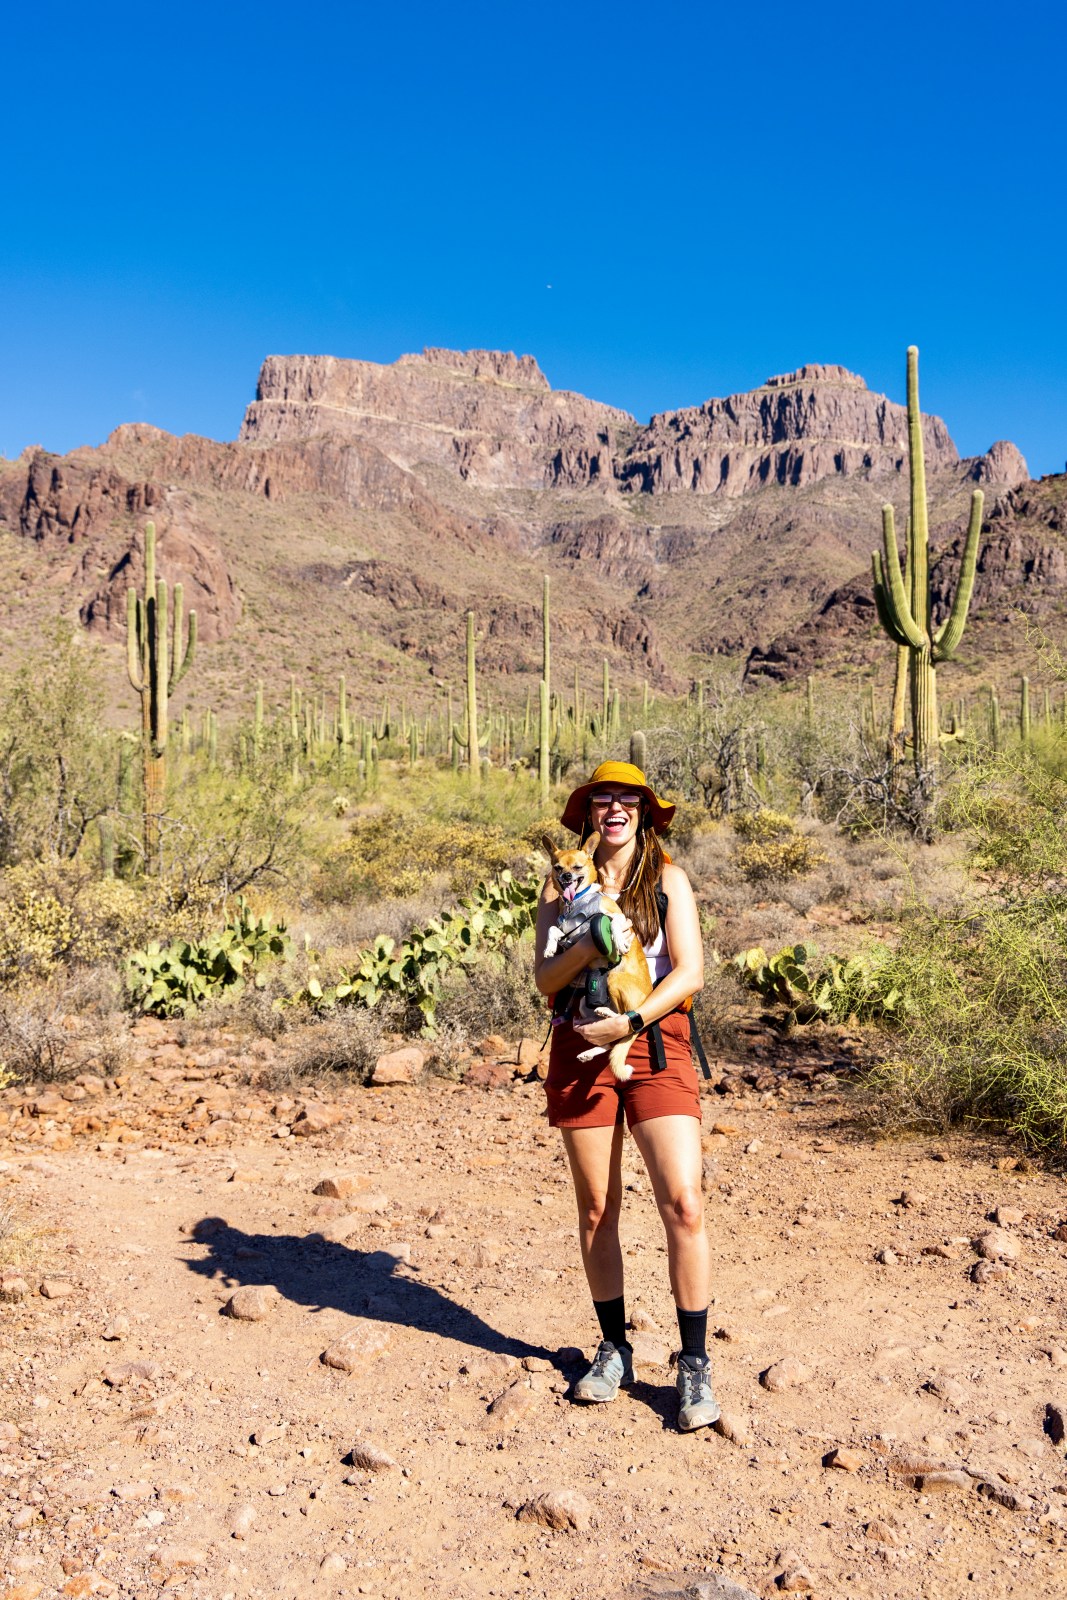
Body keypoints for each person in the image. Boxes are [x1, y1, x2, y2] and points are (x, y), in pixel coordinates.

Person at [534, 760, 719, 1432]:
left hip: (653, 1040)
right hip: (579, 1040)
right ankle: (613, 1348)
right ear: (586, 817)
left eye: (627, 800)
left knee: (683, 1202)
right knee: (595, 1209)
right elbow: (542, 976)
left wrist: (632, 1022)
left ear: (644, 812)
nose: (614, 809)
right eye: (601, 799)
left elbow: (691, 970)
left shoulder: (666, 881)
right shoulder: (559, 889)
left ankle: (693, 1363)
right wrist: (588, 946)